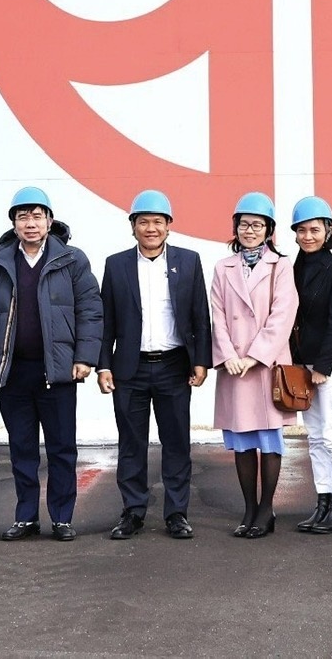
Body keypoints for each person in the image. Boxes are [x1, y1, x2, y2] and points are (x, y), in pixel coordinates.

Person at [0, 185, 102, 541]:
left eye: (37, 216)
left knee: (62, 449)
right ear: (13, 223)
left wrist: (84, 358)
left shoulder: (72, 260)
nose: (30, 223)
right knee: (22, 449)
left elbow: (90, 310)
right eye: (23, 217)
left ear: (50, 221)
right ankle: (26, 517)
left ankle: (62, 518)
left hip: (56, 372)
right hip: (13, 372)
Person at [98, 189, 212, 541]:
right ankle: (133, 512)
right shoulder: (116, 264)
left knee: (176, 442)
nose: (151, 228)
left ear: (168, 226)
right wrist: (103, 365)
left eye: (158, 222)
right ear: (132, 226)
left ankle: (177, 513)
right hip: (128, 368)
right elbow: (106, 320)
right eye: (143, 222)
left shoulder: (188, 261)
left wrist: (201, 361)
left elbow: (200, 315)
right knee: (131, 443)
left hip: (174, 366)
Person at [210, 192, 297, 538]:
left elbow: (283, 315)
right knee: (242, 441)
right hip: (234, 368)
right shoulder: (223, 267)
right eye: (244, 224)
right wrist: (229, 356)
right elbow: (217, 314)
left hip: (265, 366)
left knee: (269, 440)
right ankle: (248, 508)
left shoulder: (281, 266)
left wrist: (253, 356)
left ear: (269, 230)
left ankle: (266, 509)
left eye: (257, 225)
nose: (250, 230)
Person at [290, 195, 332, 535]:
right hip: (302, 365)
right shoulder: (293, 269)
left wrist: (323, 366)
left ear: (328, 231)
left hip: (329, 366)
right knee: (314, 437)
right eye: (301, 230)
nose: (308, 236)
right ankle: (323, 501)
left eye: (314, 230)